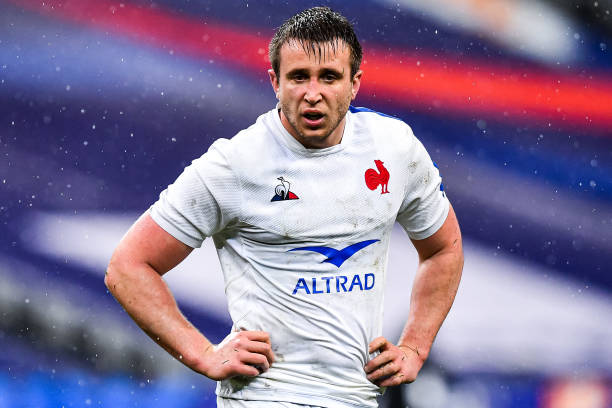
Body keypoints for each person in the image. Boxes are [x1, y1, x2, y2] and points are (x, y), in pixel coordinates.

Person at [105, 6, 463, 408]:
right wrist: (203, 353)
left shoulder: (394, 148)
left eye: (329, 77)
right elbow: (128, 267)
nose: (313, 93)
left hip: (355, 397)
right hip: (266, 397)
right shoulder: (234, 164)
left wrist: (415, 346)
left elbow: (443, 248)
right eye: (298, 77)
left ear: (354, 83)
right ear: (275, 81)